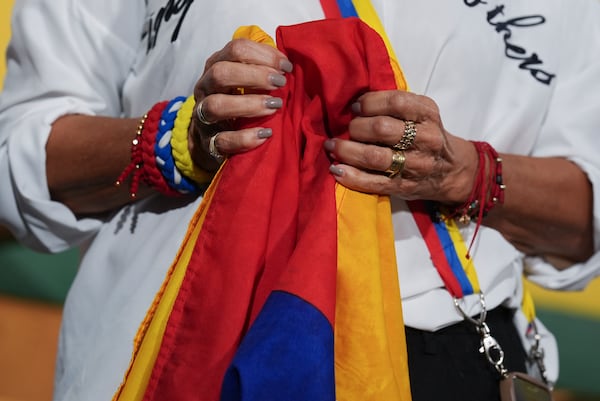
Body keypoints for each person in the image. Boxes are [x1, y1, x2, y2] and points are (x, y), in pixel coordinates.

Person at [1, 1, 599, 400]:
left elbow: (585, 220)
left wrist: (472, 174)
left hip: (454, 351)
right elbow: (15, 159)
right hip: (178, 346)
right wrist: (177, 141)